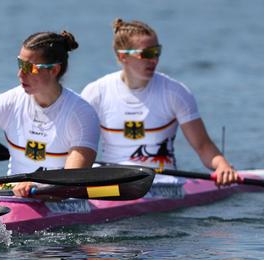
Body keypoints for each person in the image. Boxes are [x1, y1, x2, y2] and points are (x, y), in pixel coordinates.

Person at [81, 18, 239, 186]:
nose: (154, 59)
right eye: (147, 54)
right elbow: (77, 146)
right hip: (111, 181)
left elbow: (202, 145)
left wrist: (222, 166)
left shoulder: (175, 93)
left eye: (156, 52)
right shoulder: (96, 92)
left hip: (163, 182)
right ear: (123, 56)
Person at [0, 31, 100, 197]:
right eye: (19, 64)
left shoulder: (81, 114)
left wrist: (40, 186)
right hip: (13, 191)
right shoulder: (7, 102)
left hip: (60, 196)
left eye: (28, 68)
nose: (20, 74)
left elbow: (73, 179)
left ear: (54, 69)